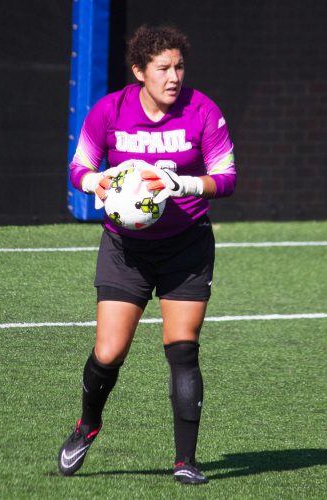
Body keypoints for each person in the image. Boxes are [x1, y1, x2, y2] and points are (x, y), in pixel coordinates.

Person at [58, 24, 236, 485]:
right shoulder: (109, 110)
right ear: (140, 71)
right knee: (109, 350)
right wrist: (94, 181)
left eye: (179, 66)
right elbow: (80, 164)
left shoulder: (203, 111)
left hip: (187, 247)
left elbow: (227, 177)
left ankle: (185, 462)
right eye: (162, 68)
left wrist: (185, 184)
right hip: (125, 250)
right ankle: (87, 424)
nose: (174, 76)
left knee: (182, 350)